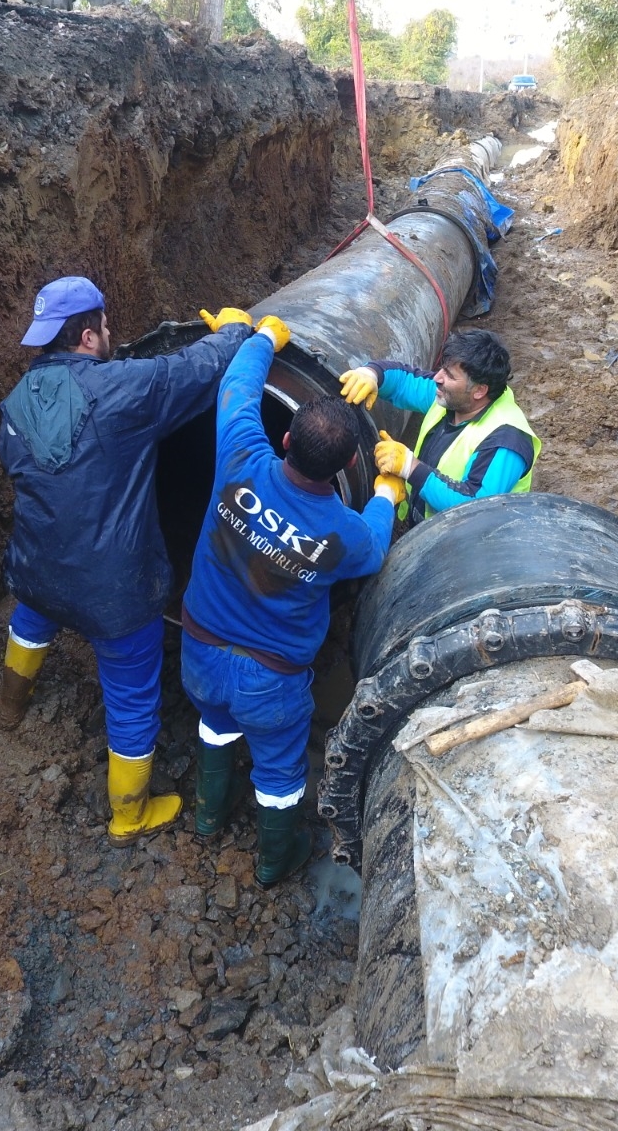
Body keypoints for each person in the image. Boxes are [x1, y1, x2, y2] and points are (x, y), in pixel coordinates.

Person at [0, 275, 256, 846]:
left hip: (36, 570)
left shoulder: (13, 404)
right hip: (113, 592)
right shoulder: (123, 390)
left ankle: (9, 707)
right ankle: (129, 813)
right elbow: (193, 370)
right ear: (89, 336)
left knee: (31, 620)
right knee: (133, 695)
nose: (111, 336)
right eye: (106, 328)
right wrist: (237, 329)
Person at [179, 315, 404, 886]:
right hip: (271, 679)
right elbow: (376, 546)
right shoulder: (342, 534)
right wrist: (385, 494)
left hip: (200, 650)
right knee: (279, 772)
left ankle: (208, 816)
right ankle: (276, 859)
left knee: (214, 723)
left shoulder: (240, 457)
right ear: (347, 465)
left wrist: (263, 338)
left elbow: (237, 389)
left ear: (284, 438)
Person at [337, 328, 541, 523]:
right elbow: (404, 381)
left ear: (479, 390)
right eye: (442, 368)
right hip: (427, 530)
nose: (437, 378)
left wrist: (410, 467)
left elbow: (475, 507)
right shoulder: (454, 398)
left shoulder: (506, 440)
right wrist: (372, 374)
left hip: (465, 548)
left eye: (450, 375)